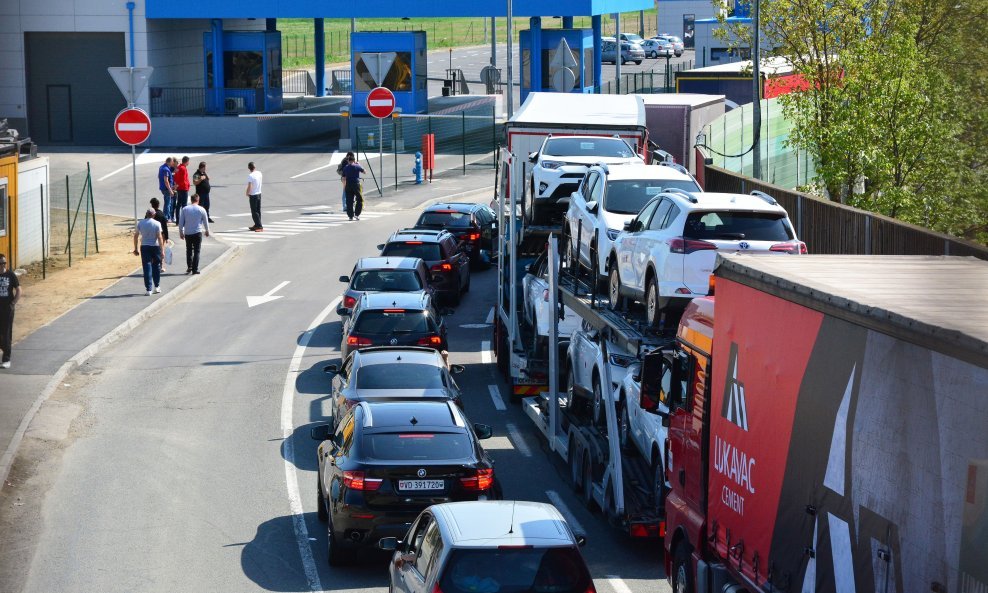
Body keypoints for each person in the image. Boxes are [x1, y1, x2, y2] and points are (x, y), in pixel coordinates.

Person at [133, 209, 164, 296]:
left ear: (146, 214)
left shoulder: (141, 223)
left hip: (144, 246)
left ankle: (148, 289)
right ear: (154, 215)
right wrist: (162, 250)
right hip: (155, 246)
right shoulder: (157, 223)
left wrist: (135, 248)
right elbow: (159, 237)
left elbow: (136, 236)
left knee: (146, 267)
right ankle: (157, 287)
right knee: (156, 266)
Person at [178, 194, 210, 275]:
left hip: (188, 232)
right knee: (197, 251)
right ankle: (195, 269)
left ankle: (190, 266)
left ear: (191, 200)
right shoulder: (201, 209)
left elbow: (181, 222)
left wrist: (181, 232)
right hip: (197, 232)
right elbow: (206, 221)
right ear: (198, 200)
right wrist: (207, 230)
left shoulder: (185, 209)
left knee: (188, 250)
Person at [0, 254, 21, 369]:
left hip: (7, 309)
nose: (3, 265)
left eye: (4, 263)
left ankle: (6, 359)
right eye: (1, 263)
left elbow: (19, 289)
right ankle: (5, 349)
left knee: (6, 333)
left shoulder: (10, 275)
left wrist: (13, 304)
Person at [149, 197, 170, 272]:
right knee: (161, 249)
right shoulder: (161, 214)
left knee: (152, 250)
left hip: (151, 234)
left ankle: (152, 265)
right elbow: (165, 226)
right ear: (158, 205)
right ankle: (161, 266)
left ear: (152, 205)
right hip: (161, 235)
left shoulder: (149, 214)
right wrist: (167, 237)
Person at [342, 155, 365, 221]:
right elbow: (364, 172)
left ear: (348, 161)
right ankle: (357, 214)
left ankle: (350, 216)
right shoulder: (357, 166)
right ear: (354, 161)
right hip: (356, 184)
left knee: (349, 201)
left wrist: (344, 186)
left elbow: (343, 178)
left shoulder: (345, 168)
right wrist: (359, 165)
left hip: (348, 185)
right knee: (359, 199)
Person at [246, 161, 263, 231]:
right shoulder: (259, 173)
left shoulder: (251, 176)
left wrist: (247, 193)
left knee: (254, 211)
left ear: (249, 168)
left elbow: (250, 186)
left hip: (253, 195)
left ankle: (259, 226)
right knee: (258, 210)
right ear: (255, 167)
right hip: (259, 193)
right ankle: (257, 224)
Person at [173, 156, 191, 223]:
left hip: (179, 188)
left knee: (179, 204)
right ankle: (184, 220)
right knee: (184, 205)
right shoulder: (183, 168)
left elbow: (175, 177)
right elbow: (183, 180)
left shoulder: (178, 167)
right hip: (183, 188)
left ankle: (178, 220)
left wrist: (176, 185)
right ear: (186, 162)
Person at [158, 157, 175, 221]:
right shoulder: (166, 169)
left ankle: (166, 216)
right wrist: (170, 190)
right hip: (166, 188)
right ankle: (166, 217)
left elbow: (158, 176)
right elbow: (166, 181)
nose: (173, 163)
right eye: (172, 162)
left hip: (163, 187)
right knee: (168, 203)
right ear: (169, 162)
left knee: (167, 202)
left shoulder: (161, 167)